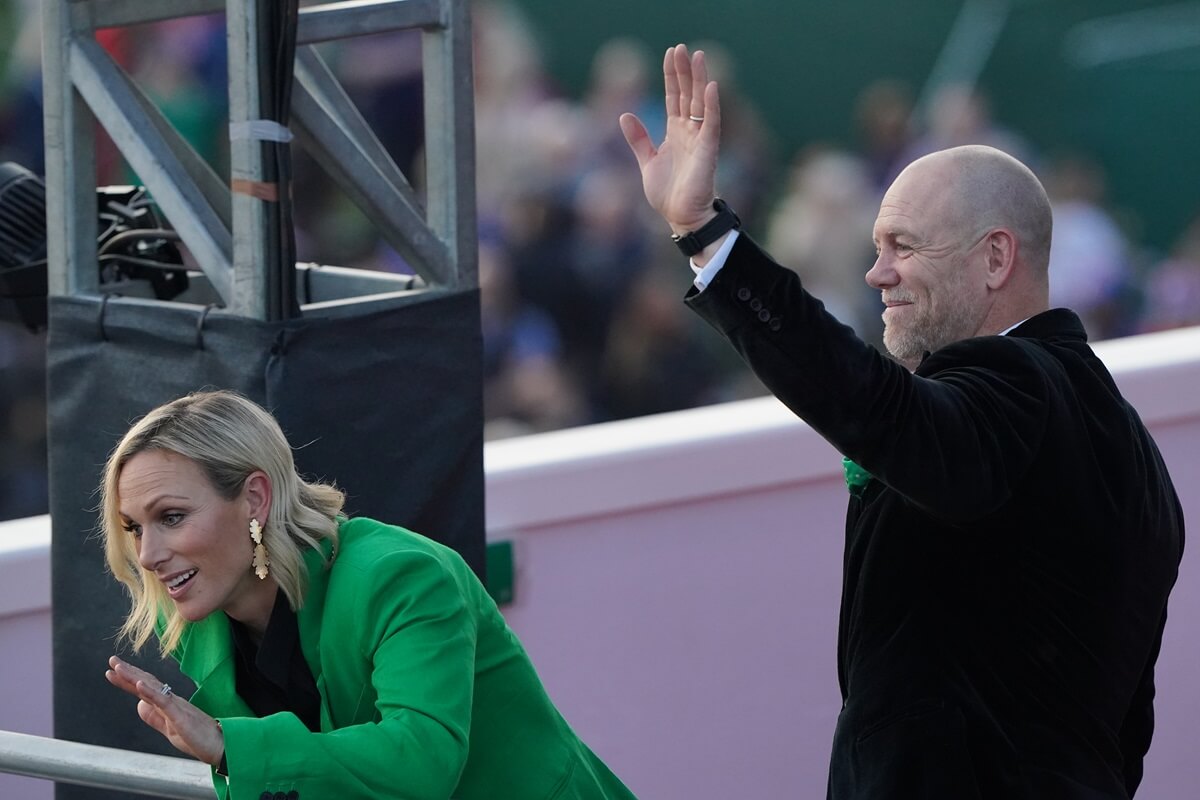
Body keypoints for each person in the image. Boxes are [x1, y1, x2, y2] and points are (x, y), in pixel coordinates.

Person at [620, 44, 1183, 799]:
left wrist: (705, 236)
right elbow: (1122, 730)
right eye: (876, 246)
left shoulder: (1016, 383)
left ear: (994, 259)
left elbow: (875, 407)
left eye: (902, 247)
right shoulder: (1134, 453)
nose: (875, 273)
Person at [100, 390, 637, 800]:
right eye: (134, 528)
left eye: (171, 517)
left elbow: (422, 760)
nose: (148, 555)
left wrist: (229, 746)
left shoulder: (401, 575)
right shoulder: (204, 622)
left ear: (255, 499)